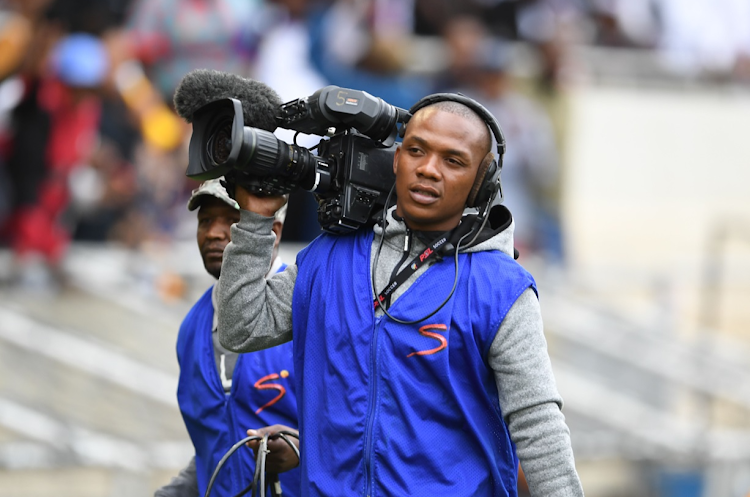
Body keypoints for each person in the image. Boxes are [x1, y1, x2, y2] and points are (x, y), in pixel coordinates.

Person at [217, 95, 584, 495]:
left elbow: (537, 423)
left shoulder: (501, 288)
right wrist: (255, 220)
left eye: (453, 160)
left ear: (481, 183)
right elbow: (242, 328)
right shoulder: (328, 256)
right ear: (396, 160)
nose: (428, 169)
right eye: (416, 151)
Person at [156, 178, 300, 497]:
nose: (213, 233)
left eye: (232, 220)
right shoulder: (192, 329)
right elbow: (213, 450)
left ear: (273, 232)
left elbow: (357, 430)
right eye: (205, 220)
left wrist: (301, 450)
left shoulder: (306, 309)